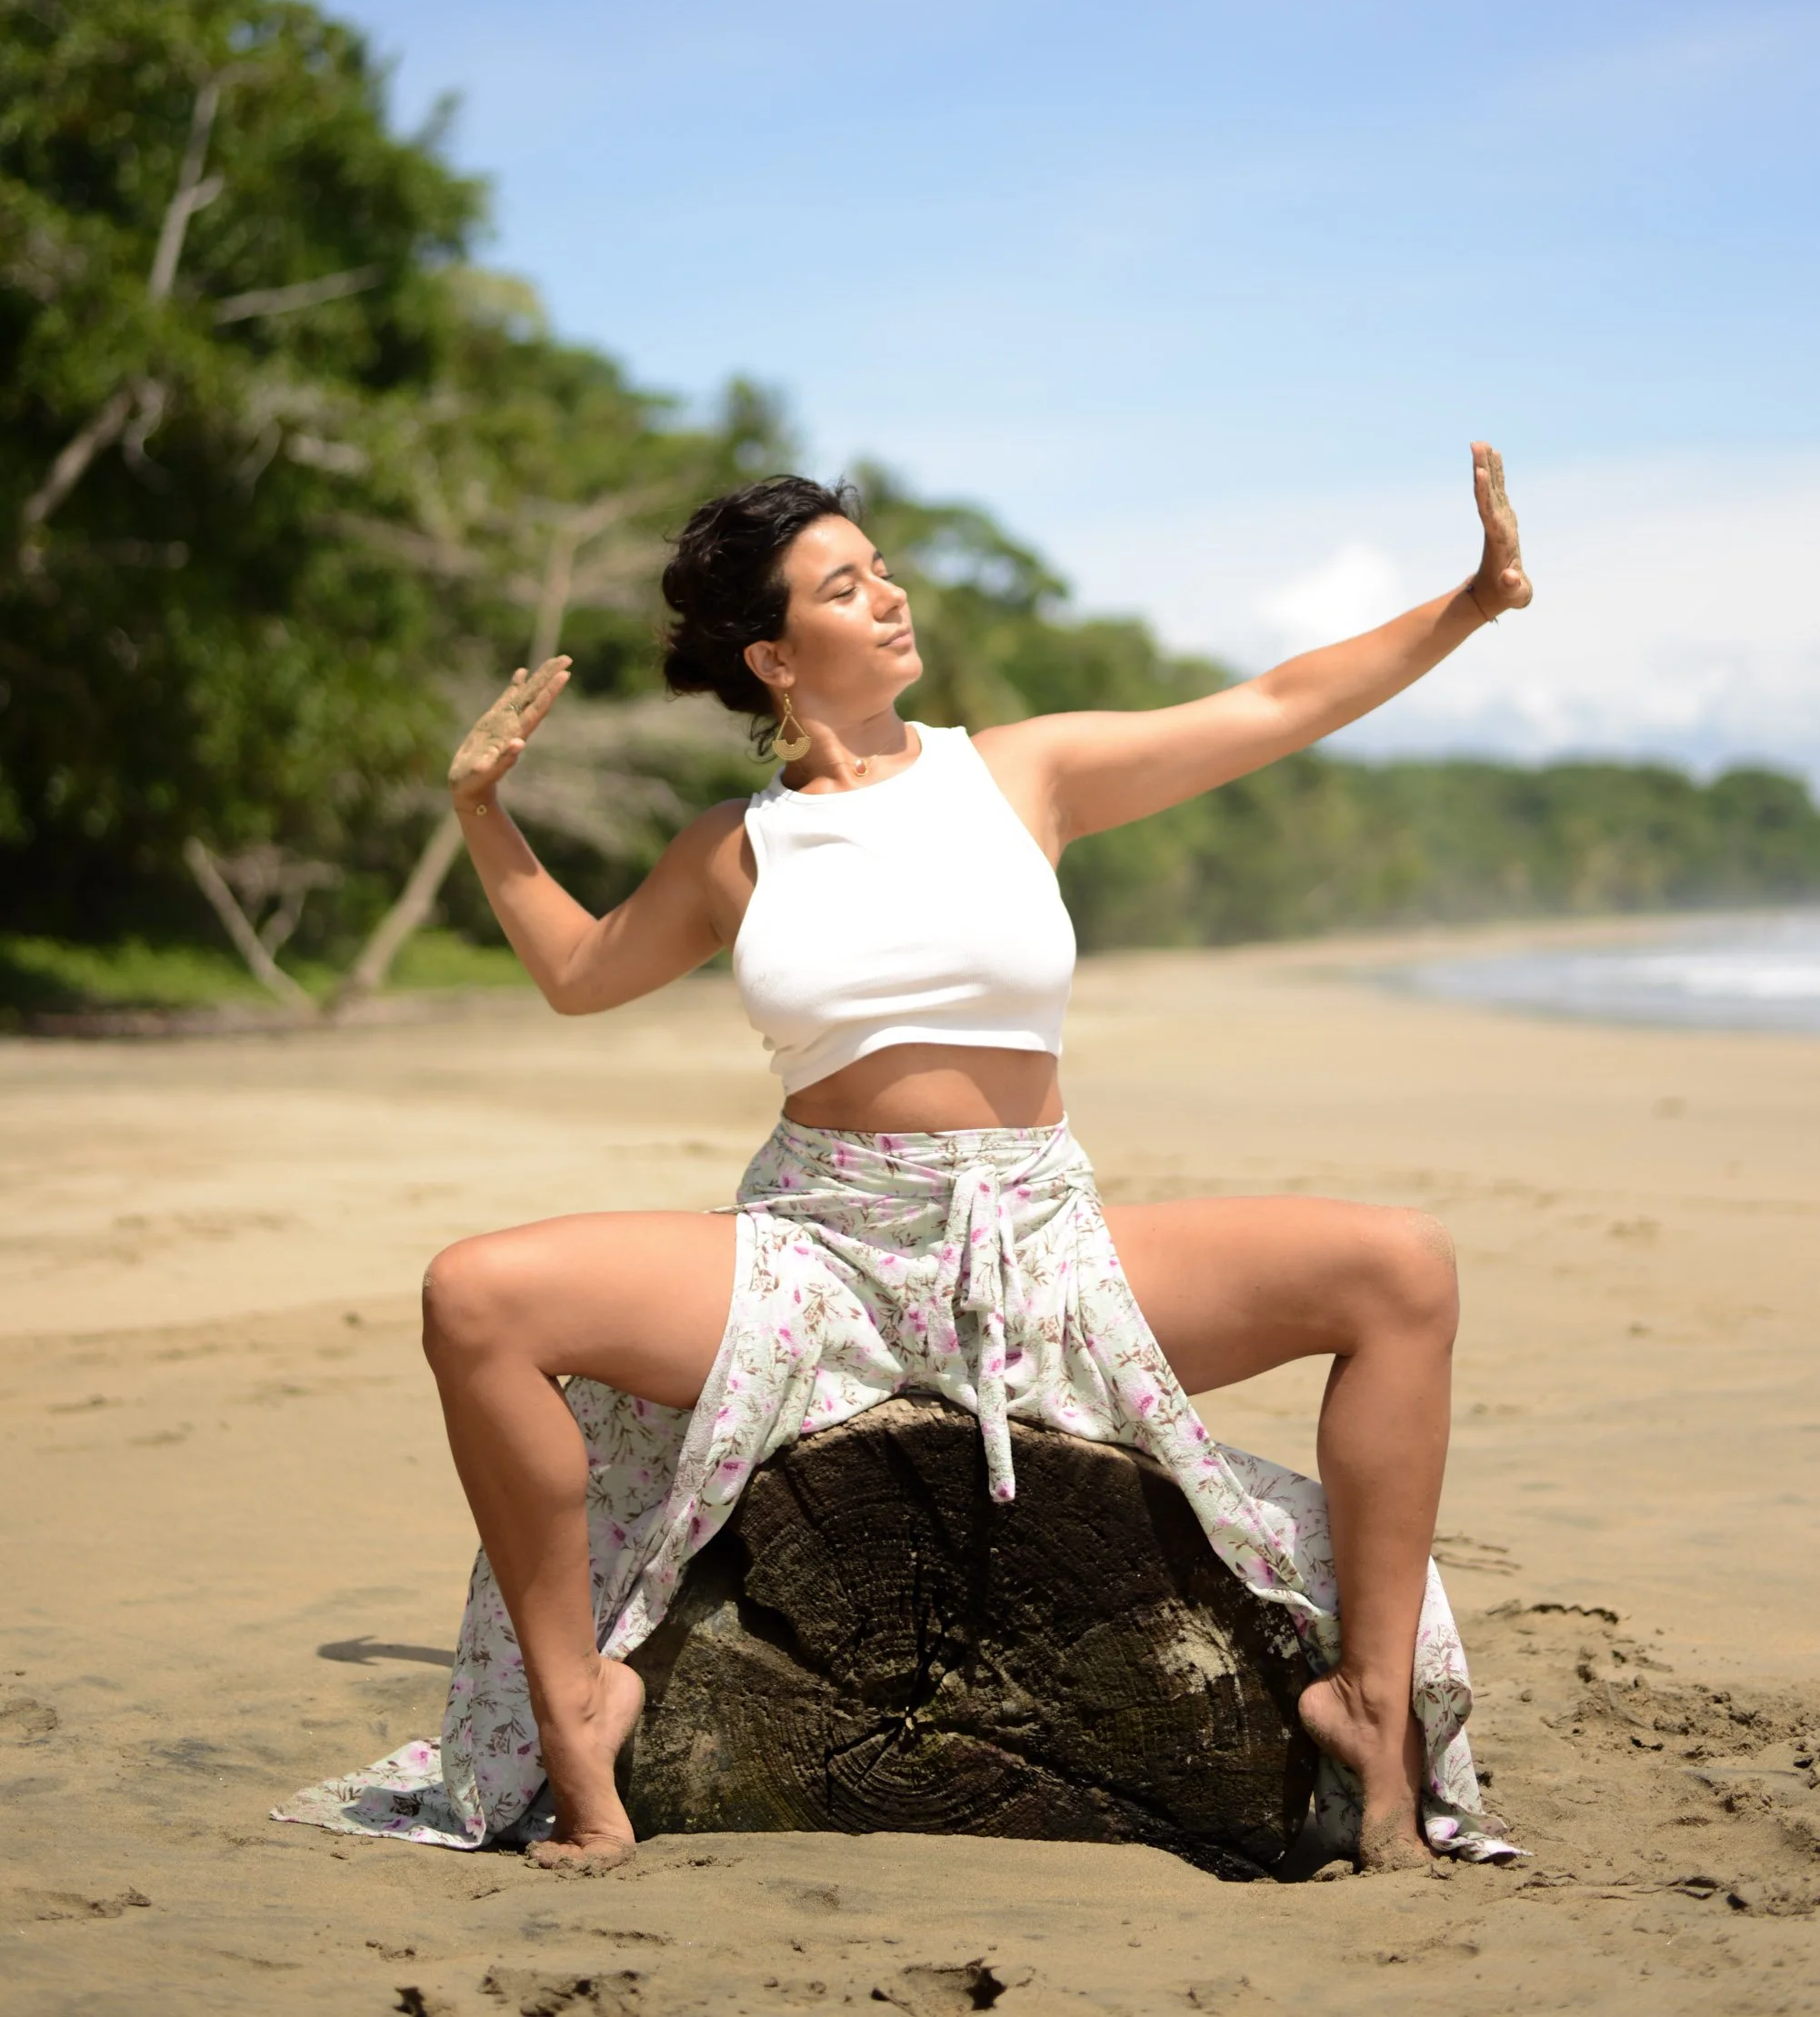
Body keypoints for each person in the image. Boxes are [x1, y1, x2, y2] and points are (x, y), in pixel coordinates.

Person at [279, 444, 1529, 1872]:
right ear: (773, 655)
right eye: (844, 584)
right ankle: (575, 1718)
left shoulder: (1019, 774)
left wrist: (1469, 603)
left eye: (879, 570)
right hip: (819, 1251)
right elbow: (576, 973)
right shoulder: (737, 849)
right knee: (477, 1298)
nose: (888, 597)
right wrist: (481, 812)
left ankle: (1369, 1711)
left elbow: (1270, 702)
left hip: (1037, 1239)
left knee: (1398, 1270)